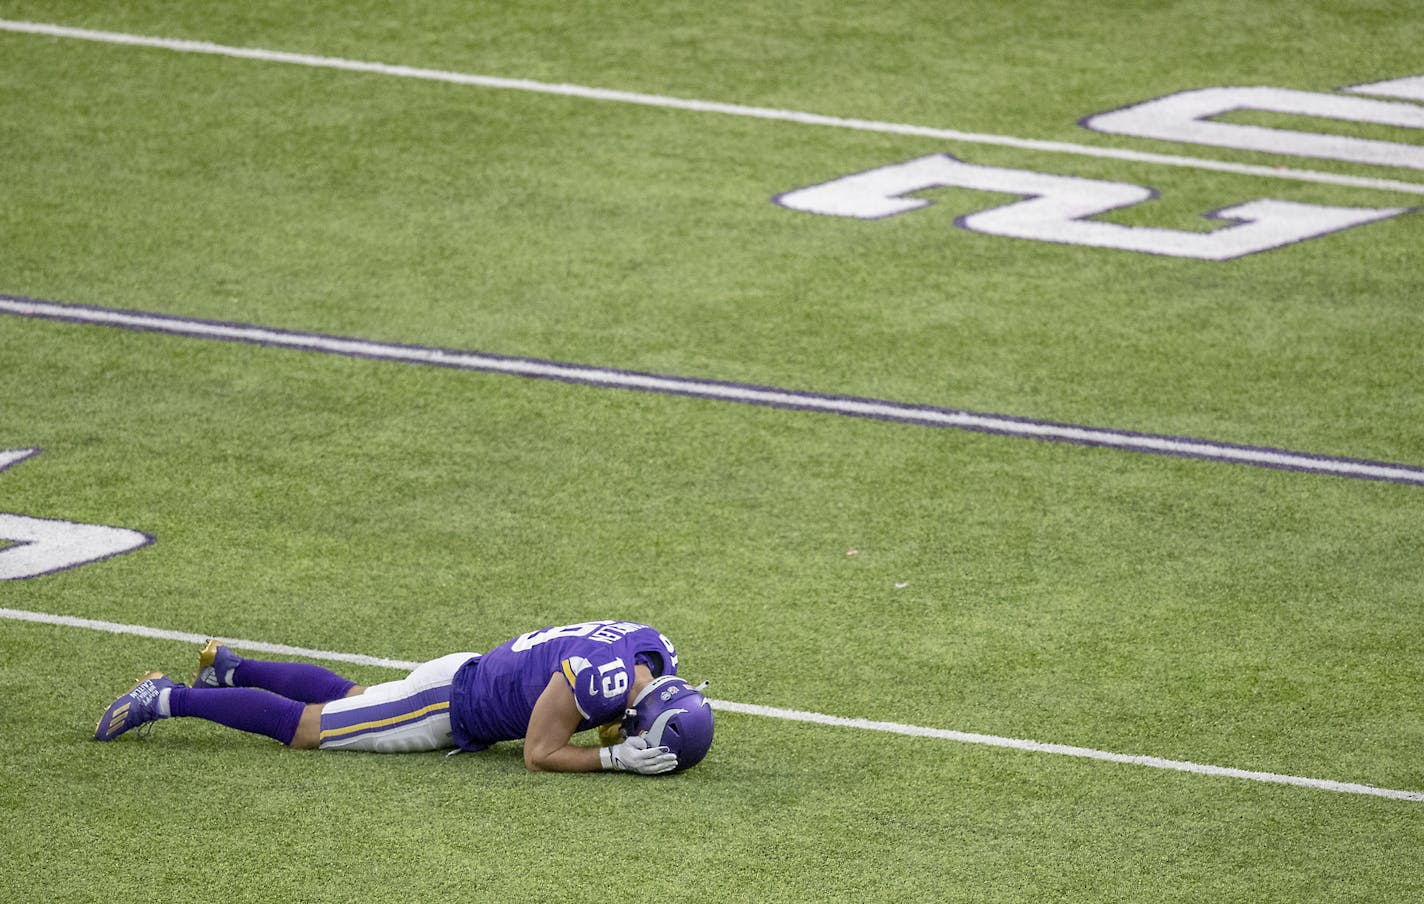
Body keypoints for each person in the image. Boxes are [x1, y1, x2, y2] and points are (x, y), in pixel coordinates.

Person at [94, 619, 714, 775]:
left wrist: (617, 731)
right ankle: (167, 697)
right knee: (311, 728)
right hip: (446, 707)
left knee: (356, 697)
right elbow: (538, 751)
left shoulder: (651, 649)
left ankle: (228, 670)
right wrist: (613, 760)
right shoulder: (605, 679)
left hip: (462, 673)